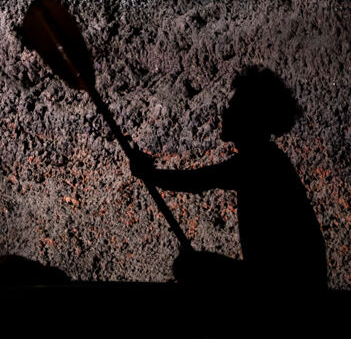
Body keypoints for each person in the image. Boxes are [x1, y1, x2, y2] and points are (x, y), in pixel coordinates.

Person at [127, 66, 327, 293]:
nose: (225, 113)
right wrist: (150, 174)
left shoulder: (260, 161)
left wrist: (149, 174)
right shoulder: (266, 158)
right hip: (289, 283)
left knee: (189, 266)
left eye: (233, 106)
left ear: (251, 115)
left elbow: (197, 181)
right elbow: (200, 180)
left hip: (286, 288)